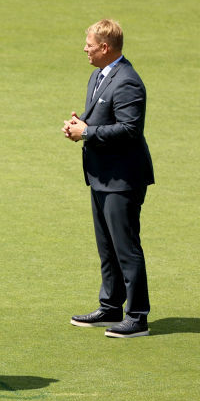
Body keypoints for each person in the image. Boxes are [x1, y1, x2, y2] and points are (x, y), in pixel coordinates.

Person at [63, 19, 154, 337]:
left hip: (123, 179)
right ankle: (111, 307)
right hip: (101, 176)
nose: (84, 48)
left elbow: (130, 129)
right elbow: (102, 115)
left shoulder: (128, 81)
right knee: (107, 246)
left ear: (105, 47)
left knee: (126, 247)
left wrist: (87, 131)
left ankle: (138, 317)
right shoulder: (98, 75)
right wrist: (80, 123)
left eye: (89, 43)